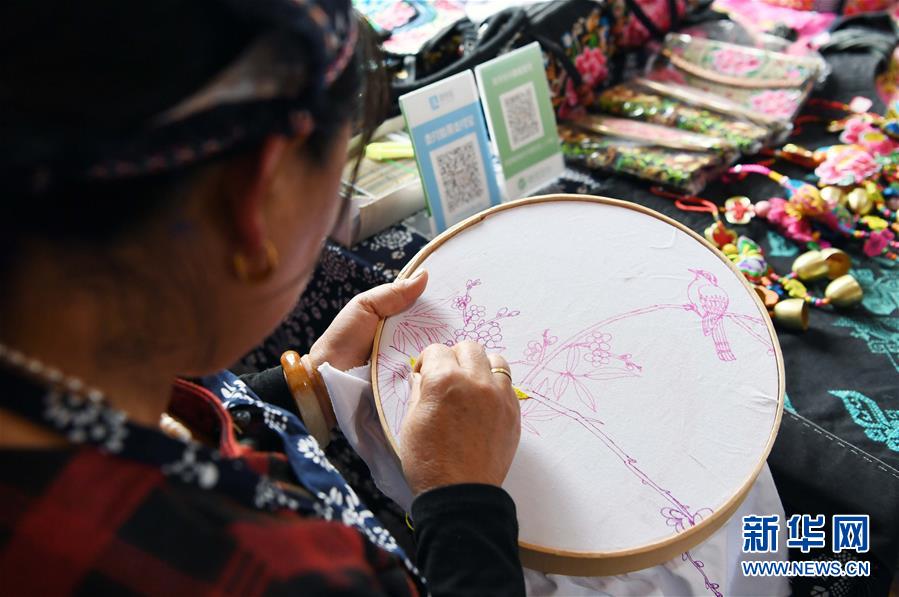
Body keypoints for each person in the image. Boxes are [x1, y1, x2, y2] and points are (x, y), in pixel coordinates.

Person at [0, 1, 525, 594]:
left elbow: (181, 423)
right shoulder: (275, 574)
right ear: (259, 193)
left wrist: (309, 388)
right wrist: (463, 501)